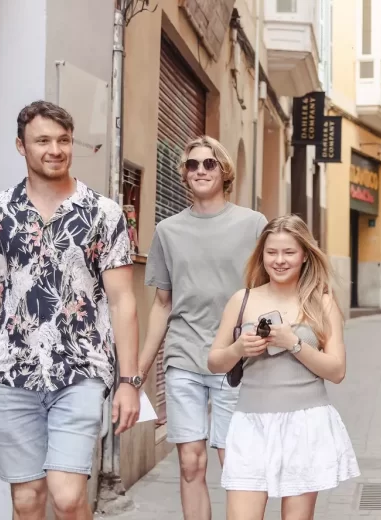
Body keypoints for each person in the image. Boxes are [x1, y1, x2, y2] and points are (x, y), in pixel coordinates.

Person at [0, 100, 140, 520]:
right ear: (21, 146)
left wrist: (129, 381)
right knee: (27, 501)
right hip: (13, 371)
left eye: (64, 140)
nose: (55, 149)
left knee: (68, 497)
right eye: (43, 140)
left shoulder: (103, 213)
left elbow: (124, 300)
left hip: (82, 371)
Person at [136, 136, 267, 520]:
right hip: (184, 359)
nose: (200, 171)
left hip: (235, 360)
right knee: (190, 463)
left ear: (224, 171)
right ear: (184, 174)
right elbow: (162, 305)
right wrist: (141, 369)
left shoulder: (252, 224)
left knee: (235, 463)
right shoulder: (167, 231)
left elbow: (267, 291)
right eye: (192, 165)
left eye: (209, 164)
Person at [207, 215, 360, 520]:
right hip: (250, 423)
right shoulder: (242, 299)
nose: (279, 260)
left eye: (289, 252)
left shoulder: (322, 303)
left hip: (305, 424)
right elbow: (214, 362)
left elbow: (337, 371)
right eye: (271, 252)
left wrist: (294, 343)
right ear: (261, 255)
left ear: (304, 255)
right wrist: (239, 348)